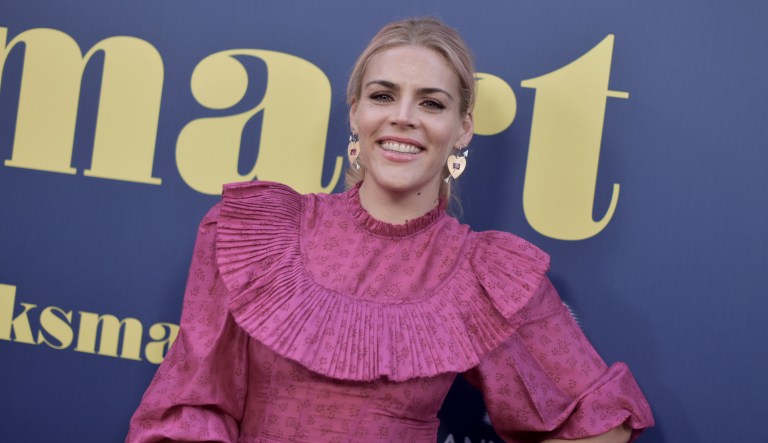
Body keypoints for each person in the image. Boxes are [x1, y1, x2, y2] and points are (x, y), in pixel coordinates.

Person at [126, 17, 653, 443]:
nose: (403, 118)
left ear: (462, 128)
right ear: (355, 112)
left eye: (431, 102)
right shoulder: (261, 232)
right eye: (383, 96)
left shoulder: (486, 274)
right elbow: (191, 406)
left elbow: (600, 421)